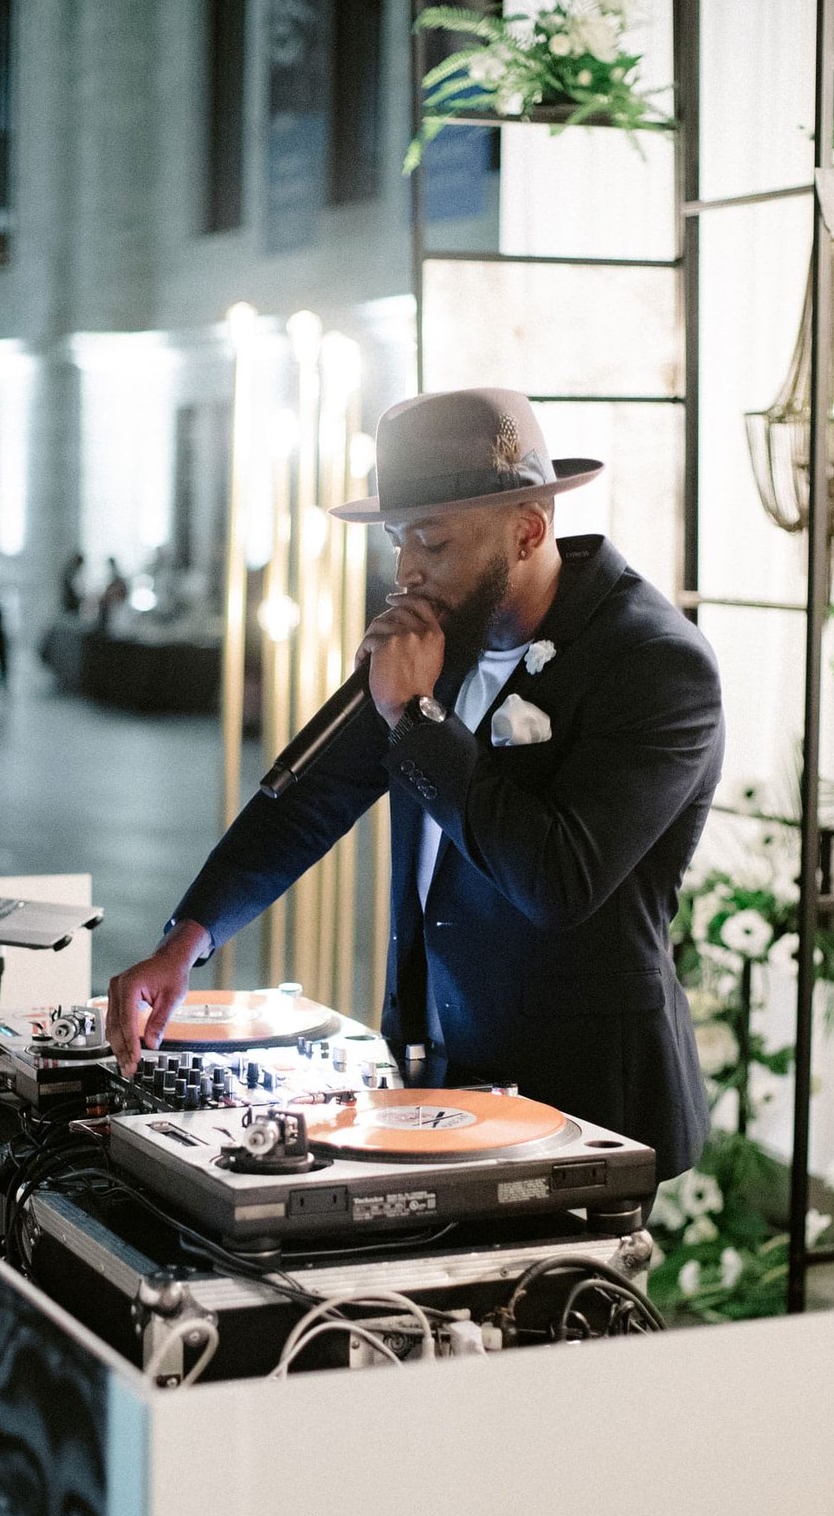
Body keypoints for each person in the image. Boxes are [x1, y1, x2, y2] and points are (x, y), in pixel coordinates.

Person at [107, 388, 725, 1187]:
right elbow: (309, 797)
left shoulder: (654, 663)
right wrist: (184, 941)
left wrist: (419, 719)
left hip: (584, 1099)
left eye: (431, 542)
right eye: (401, 542)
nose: (406, 571)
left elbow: (560, 879)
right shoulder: (446, 632)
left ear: (529, 530)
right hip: (436, 1074)